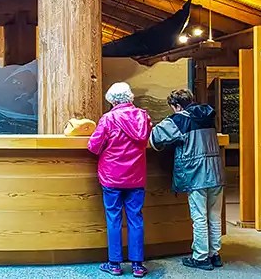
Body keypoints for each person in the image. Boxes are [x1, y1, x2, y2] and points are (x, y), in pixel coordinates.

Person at [149, 88, 226, 271]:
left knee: (199, 217)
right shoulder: (208, 115)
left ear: (176, 105)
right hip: (215, 172)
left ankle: (200, 258)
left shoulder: (179, 119)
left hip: (196, 174)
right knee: (214, 216)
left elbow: (155, 138)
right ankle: (215, 255)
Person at [88, 82, 151, 278]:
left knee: (114, 219)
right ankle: (137, 265)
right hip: (136, 176)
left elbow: (94, 146)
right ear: (130, 97)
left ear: (113, 100)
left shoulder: (108, 119)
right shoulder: (144, 117)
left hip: (111, 177)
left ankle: (114, 264)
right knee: (136, 219)